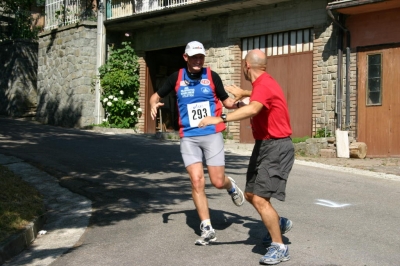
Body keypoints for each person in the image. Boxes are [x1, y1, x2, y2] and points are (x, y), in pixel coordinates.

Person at [198, 49, 294, 265]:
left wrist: (220, 118)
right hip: (264, 145)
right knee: (251, 194)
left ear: (246, 66)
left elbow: (253, 109)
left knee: (260, 199)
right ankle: (278, 223)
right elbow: (255, 101)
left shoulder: (264, 85)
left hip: (277, 146)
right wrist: (244, 93)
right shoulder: (262, 84)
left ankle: (280, 247)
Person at [149, 41, 245, 246]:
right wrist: (153, 103)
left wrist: (240, 103)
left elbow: (226, 102)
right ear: (186, 58)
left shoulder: (211, 76)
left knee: (217, 181)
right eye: (193, 57)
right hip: (189, 136)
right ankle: (207, 227)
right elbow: (155, 95)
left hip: (211, 134)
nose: (197, 61)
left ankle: (231, 186)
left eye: (200, 57)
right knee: (196, 180)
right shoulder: (176, 77)